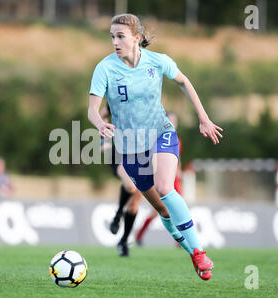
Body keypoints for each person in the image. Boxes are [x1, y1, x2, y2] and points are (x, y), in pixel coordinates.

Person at [88, 14, 223, 280]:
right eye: (112, 37)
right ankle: (192, 254)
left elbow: (184, 82)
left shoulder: (158, 61)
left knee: (165, 188)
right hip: (129, 149)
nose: (115, 42)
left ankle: (198, 251)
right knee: (162, 209)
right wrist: (99, 125)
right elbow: (93, 108)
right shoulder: (105, 68)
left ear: (136, 38)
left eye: (121, 36)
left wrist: (203, 117)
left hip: (161, 133)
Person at [100, 103, 143, 257]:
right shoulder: (117, 96)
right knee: (131, 186)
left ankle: (123, 241)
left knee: (133, 206)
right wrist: (102, 141)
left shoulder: (147, 99)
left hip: (142, 154)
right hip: (119, 152)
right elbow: (102, 115)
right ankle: (118, 215)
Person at [135, 112, 183, 247]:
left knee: (178, 208)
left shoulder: (177, 139)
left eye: (175, 121)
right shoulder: (158, 138)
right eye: (170, 120)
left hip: (175, 180)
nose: (173, 123)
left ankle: (180, 240)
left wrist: (179, 170)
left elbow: (177, 159)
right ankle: (139, 234)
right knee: (159, 210)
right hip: (164, 178)